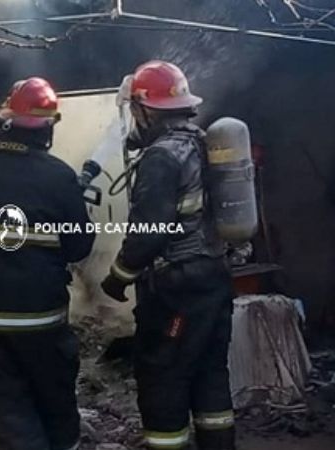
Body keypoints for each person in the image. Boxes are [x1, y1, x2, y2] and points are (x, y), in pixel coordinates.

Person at [0, 77, 95, 450]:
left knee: (8, 407)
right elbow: (79, 247)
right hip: (38, 319)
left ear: (6, 119)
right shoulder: (59, 175)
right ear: (47, 128)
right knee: (54, 403)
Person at [100, 61, 236, 450]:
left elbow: (149, 234)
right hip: (212, 276)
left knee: (164, 377)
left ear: (145, 109)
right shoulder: (203, 142)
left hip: (178, 289)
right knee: (210, 374)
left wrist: (118, 277)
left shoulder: (161, 157)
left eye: (135, 111)